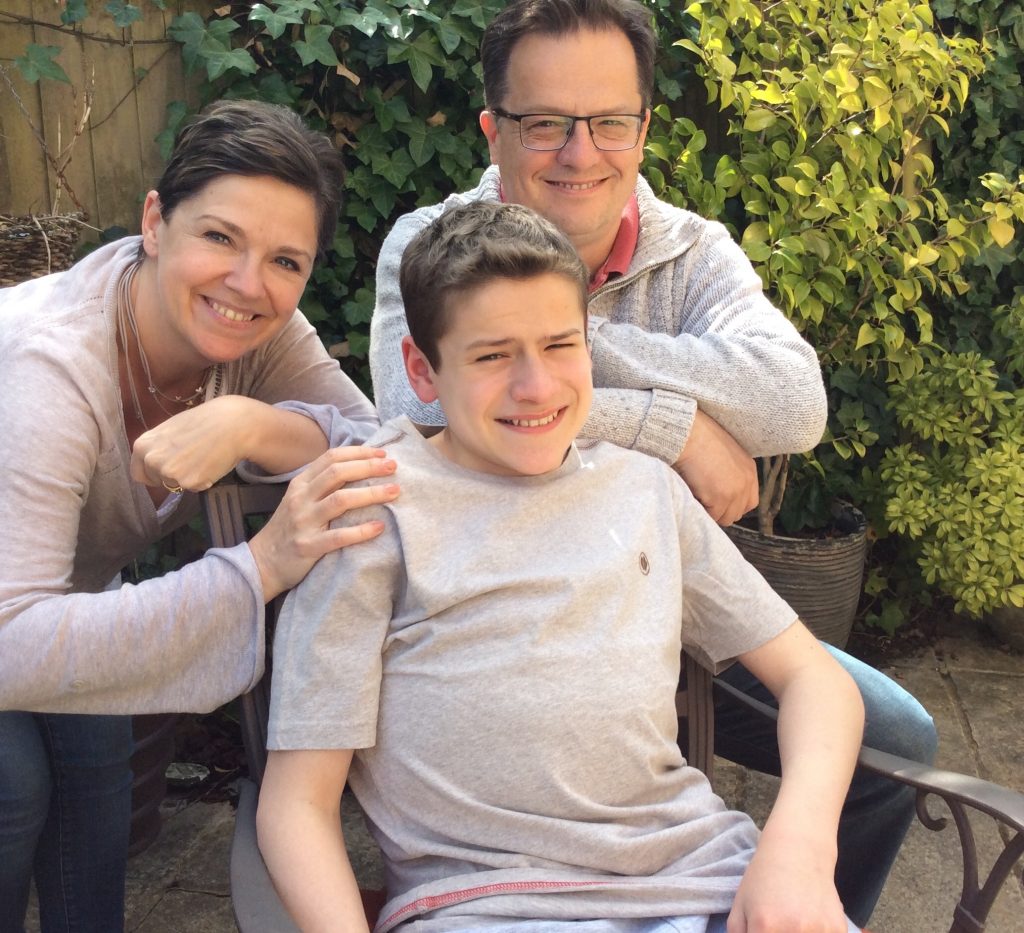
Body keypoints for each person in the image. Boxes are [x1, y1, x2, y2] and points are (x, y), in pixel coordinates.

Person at [366, 0, 937, 924]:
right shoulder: (428, 243)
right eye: (545, 122)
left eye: (609, 122)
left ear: (643, 127)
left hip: (669, 601)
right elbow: (423, 411)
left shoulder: (692, 251)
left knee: (892, 746)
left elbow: (794, 403)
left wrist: (581, 345)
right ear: (493, 129)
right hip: (501, 623)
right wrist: (680, 429)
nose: (579, 153)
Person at [258, 200, 865, 933]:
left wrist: (797, 849)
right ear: (421, 368)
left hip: (703, 879)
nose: (537, 386)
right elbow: (298, 805)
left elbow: (814, 678)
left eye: (560, 346)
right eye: (490, 356)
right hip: (490, 905)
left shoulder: (644, 488)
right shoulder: (374, 513)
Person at [0, 100, 399, 933]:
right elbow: (12, 645)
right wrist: (260, 566)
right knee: (14, 786)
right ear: (155, 221)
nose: (249, 283)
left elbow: (381, 443)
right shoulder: (52, 366)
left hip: (49, 587)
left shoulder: (265, 337)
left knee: (96, 772)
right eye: (219, 237)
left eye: (285, 259)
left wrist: (255, 423)